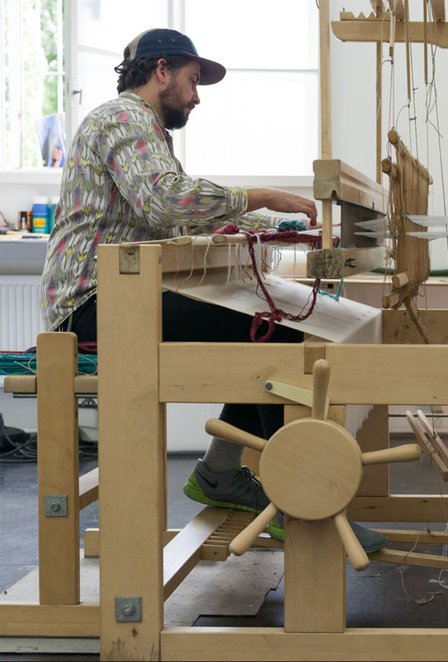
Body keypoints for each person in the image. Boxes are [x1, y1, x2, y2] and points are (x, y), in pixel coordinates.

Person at [40, 28, 386, 552]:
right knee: (270, 334)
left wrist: (257, 222)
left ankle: (220, 473)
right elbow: (165, 203)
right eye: (192, 80)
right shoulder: (123, 120)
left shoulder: (146, 132)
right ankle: (297, 500)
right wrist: (260, 196)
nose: (197, 95)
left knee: (261, 332)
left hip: (118, 296)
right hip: (92, 305)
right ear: (161, 71)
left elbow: (164, 218)